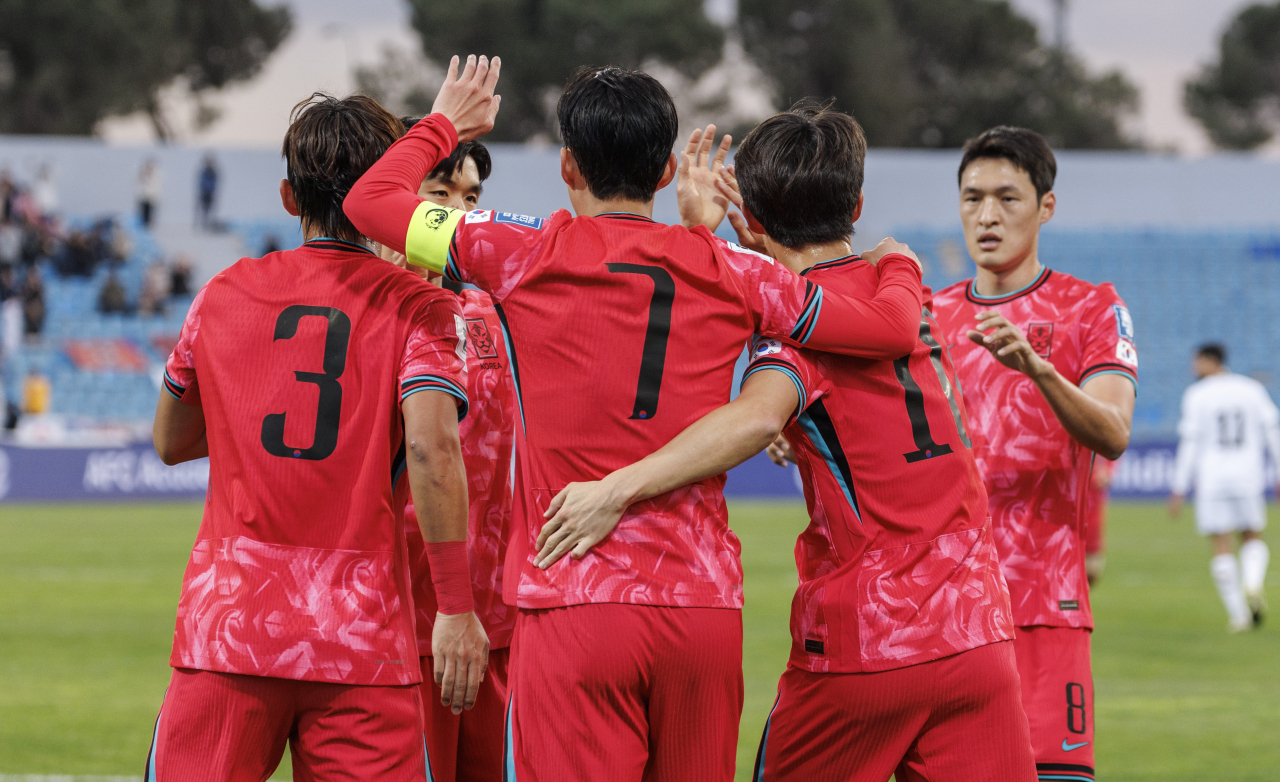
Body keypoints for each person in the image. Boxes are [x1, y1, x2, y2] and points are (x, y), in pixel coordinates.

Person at [346, 58, 925, 782]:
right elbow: (890, 330)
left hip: (575, 605)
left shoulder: (517, 250)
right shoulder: (733, 270)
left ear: (566, 165)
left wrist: (443, 124)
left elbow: (368, 204)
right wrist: (897, 263)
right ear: (663, 173)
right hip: (701, 615)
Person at [536, 103, 1035, 782]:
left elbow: (756, 417)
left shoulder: (799, 335)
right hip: (979, 637)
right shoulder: (905, 293)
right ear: (856, 201)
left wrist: (616, 488)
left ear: (758, 221)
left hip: (869, 642)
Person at [143, 81, 500, 781]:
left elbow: (171, 441)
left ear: (286, 197)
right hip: (361, 639)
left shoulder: (222, 293)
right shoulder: (421, 307)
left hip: (230, 627)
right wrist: (455, 607)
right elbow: (431, 448)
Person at [931, 126, 1136, 782]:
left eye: (1007, 198)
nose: (987, 215)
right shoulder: (926, 319)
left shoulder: (1091, 308)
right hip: (939, 617)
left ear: (1045, 207)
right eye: (972, 198)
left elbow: (1113, 429)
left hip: (1044, 611)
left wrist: (1041, 371)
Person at [385, 131, 512, 782]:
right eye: (440, 194)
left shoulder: (497, 310)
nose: (457, 213)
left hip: (502, 616)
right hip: (402, 620)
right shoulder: (367, 310)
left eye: (470, 197)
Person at [1169, 344, 1278, 631]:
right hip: (1248, 475)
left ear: (1209, 361)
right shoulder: (1252, 389)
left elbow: (1190, 442)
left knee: (1220, 542)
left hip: (1212, 479)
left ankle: (1239, 616)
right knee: (1252, 534)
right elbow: (1272, 431)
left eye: (1197, 362)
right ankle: (1252, 583)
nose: (1194, 368)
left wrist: (1179, 486)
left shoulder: (1197, 395)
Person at [1084, 458, 1114, 586]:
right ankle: (1070, 603)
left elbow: (1105, 478)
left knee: (1092, 570)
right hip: (1068, 511)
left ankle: (1074, 603)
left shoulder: (1101, 452)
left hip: (1093, 511)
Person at [138, 157, 162, 228]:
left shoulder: (156, 177)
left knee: (150, 215)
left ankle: (148, 227)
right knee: (143, 214)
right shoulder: (141, 175)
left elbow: (157, 187)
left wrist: (154, 196)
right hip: (143, 198)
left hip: (151, 198)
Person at [197, 155, 218, 230]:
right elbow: (202, 183)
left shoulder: (213, 173)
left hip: (210, 194)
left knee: (210, 209)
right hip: (204, 193)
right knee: (204, 210)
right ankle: (204, 224)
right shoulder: (205, 172)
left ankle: (209, 224)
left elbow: (214, 183)